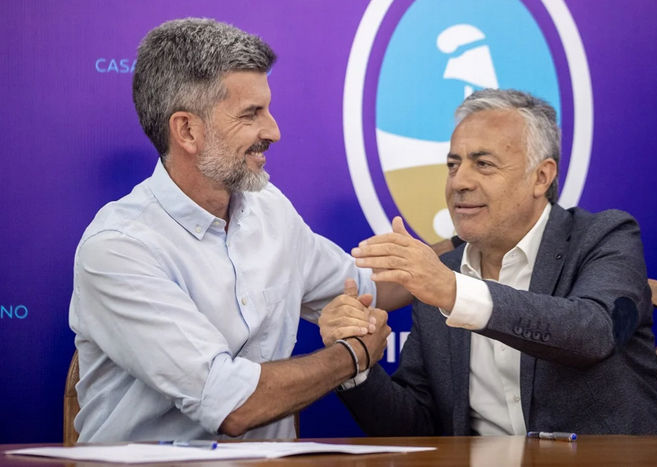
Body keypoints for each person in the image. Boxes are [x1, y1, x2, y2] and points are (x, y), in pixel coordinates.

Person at [68, 18, 405, 443]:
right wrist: (352, 357)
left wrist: (464, 249)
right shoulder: (118, 247)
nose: (274, 131)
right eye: (251, 114)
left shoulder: (270, 210)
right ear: (187, 130)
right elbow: (232, 404)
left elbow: (369, 286)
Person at [321, 89, 657, 435]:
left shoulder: (604, 236)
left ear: (541, 177)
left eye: (483, 164)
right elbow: (419, 426)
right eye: (453, 165)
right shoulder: (441, 275)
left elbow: (596, 333)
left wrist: (454, 293)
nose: (459, 182)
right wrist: (357, 364)